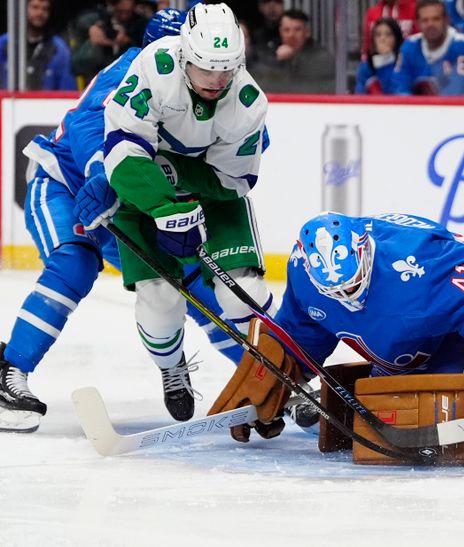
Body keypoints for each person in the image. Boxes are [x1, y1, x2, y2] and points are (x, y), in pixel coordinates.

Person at [207, 212, 464, 466]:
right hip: (398, 354)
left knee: (444, 413)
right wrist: (283, 369)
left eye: (354, 286)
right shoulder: (305, 273)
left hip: (455, 339)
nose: (347, 300)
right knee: (388, 413)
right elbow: (302, 327)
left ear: (366, 252)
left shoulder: (417, 260)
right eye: (336, 294)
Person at [0, 9, 244, 433]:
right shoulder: (137, 70)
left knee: (190, 279)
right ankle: (9, 371)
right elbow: (85, 124)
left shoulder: (206, 89)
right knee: (75, 262)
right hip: (66, 183)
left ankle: (270, 379)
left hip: (127, 200)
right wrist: (104, 174)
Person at [101, 3, 275, 422]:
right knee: (159, 300)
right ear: (184, 56)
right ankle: (171, 368)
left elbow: (234, 181)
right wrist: (165, 206)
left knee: (243, 294)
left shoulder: (249, 102)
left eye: (227, 69)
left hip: (211, 201)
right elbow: (123, 149)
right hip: (146, 198)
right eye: (207, 69)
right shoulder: (155, 66)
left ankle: (283, 374)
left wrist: (178, 179)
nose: (218, 80)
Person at [392, 0, 464, 96]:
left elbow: (459, 91)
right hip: (418, 109)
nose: (430, 24)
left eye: (436, 19)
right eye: (425, 20)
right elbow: (399, 87)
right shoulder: (409, 46)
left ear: (446, 20)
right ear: (417, 23)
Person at [251, 9, 335, 94]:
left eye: (297, 29)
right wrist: (278, 61)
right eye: (286, 30)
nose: (291, 35)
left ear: (307, 32)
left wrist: (295, 57)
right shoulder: (270, 52)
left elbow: (310, 88)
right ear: (280, 32)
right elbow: (262, 85)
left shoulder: (321, 57)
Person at [0, 0, 76, 90]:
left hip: (45, 103)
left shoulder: (60, 49)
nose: (40, 13)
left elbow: (67, 92)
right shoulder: (4, 43)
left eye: (45, 9)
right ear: (24, 9)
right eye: (35, 7)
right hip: (8, 102)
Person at [71, 0, 149, 87]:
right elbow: (76, 67)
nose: (123, 16)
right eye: (120, 11)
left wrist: (127, 42)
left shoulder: (142, 26)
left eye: (128, 12)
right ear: (111, 6)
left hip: (128, 86)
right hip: (95, 83)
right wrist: (92, 44)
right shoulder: (92, 23)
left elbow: (146, 64)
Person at [355, 17, 403, 95]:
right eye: (378, 35)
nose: (382, 39)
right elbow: (360, 95)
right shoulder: (365, 66)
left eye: (388, 35)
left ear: (396, 39)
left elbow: (395, 92)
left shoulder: (403, 65)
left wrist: (386, 60)